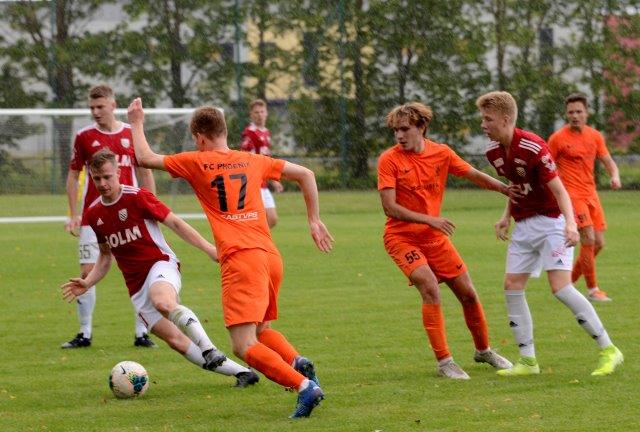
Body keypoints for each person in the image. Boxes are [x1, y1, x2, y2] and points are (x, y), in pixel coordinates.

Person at [127, 97, 333, 418]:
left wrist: (136, 122)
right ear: (224, 131)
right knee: (262, 330)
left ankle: (304, 386)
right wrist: (314, 220)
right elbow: (306, 174)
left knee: (243, 345)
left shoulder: (197, 161)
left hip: (241, 260)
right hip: (269, 256)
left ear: (200, 137)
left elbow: (144, 157)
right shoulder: (252, 160)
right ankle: (298, 362)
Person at [61, 149, 260, 388]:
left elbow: (174, 222)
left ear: (118, 172)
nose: (102, 183)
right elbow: (105, 256)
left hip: (160, 264)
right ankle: (243, 373)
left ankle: (209, 349)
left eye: (107, 177)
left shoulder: (138, 197)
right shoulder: (94, 214)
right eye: (97, 178)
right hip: (136, 287)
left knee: (163, 301)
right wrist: (88, 282)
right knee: (176, 341)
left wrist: (209, 249)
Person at [475, 90, 623, 376]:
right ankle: (528, 361)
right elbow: (517, 187)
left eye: (488, 119)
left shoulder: (532, 146)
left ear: (505, 119)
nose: (483, 124)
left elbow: (559, 190)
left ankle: (609, 349)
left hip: (552, 222)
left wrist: (570, 224)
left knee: (561, 288)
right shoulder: (493, 152)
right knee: (512, 286)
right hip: (523, 224)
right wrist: (506, 216)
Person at [378, 102, 514, 379]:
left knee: (469, 294)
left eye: (405, 129)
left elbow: (473, 174)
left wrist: (504, 189)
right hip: (401, 238)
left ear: (422, 127)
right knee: (430, 287)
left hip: (435, 238)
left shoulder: (441, 153)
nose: (399, 136)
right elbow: (389, 207)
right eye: (395, 131)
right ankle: (445, 362)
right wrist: (430, 220)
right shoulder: (389, 160)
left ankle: (484, 350)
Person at [63, 84, 157, 349]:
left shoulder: (131, 134)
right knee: (87, 271)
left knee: (140, 270)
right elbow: (73, 175)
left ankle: (142, 332)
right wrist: (73, 214)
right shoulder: (84, 136)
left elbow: (145, 170)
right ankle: (84, 333)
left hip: (129, 215)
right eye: (92, 107)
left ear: (113, 105)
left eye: (100, 106)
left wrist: (151, 205)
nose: (95, 112)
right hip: (93, 217)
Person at [548, 93, 622, 302]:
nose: (574, 116)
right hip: (571, 196)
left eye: (579, 112)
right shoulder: (557, 139)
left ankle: (568, 282)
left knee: (599, 243)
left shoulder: (595, 136)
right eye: (571, 112)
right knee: (588, 239)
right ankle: (593, 290)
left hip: (591, 194)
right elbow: (546, 166)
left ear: (586, 113)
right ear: (566, 114)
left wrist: (615, 176)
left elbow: (608, 161)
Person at [240, 99, 283, 228]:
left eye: (262, 112)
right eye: (256, 112)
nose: (260, 115)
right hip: (253, 183)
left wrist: (273, 179)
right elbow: (244, 157)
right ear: (251, 115)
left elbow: (266, 159)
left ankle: (253, 237)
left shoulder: (266, 132)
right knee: (258, 218)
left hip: (263, 182)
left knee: (272, 219)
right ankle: (251, 238)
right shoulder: (249, 133)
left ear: (266, 113)